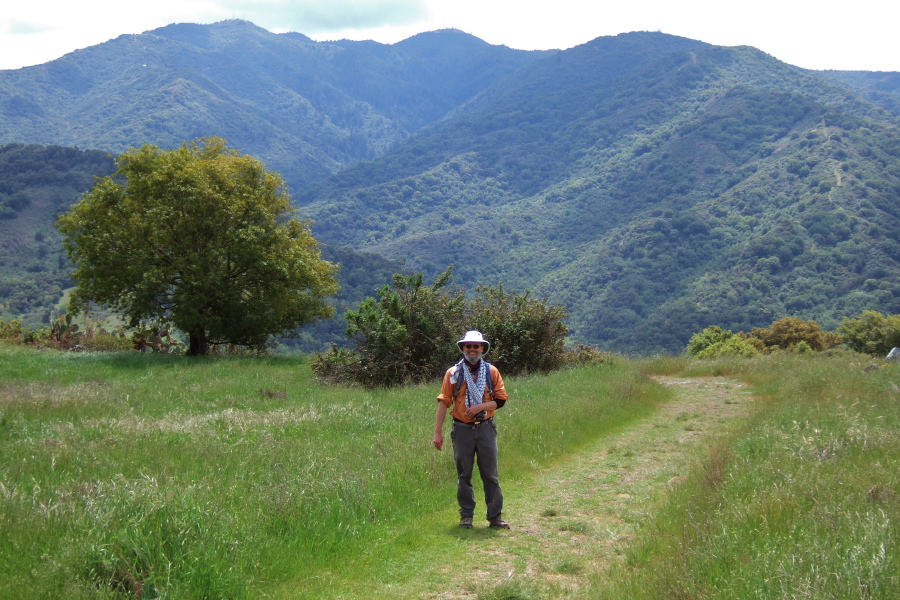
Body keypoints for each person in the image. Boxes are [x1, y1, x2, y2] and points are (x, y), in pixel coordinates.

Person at [433, 330, 510, 529]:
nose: (472, 349)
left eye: (476, 346)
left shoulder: (492, 372)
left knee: (490, 475)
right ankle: (466, 516)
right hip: (462, 430)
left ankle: (495, 517)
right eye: (468, 346)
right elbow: (443, 402)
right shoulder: (453, 373)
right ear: (463, 348)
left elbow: (500, 401)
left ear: (482, 348)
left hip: (485, 429)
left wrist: (479, 407)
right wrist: (437, 432)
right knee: (464, 475)